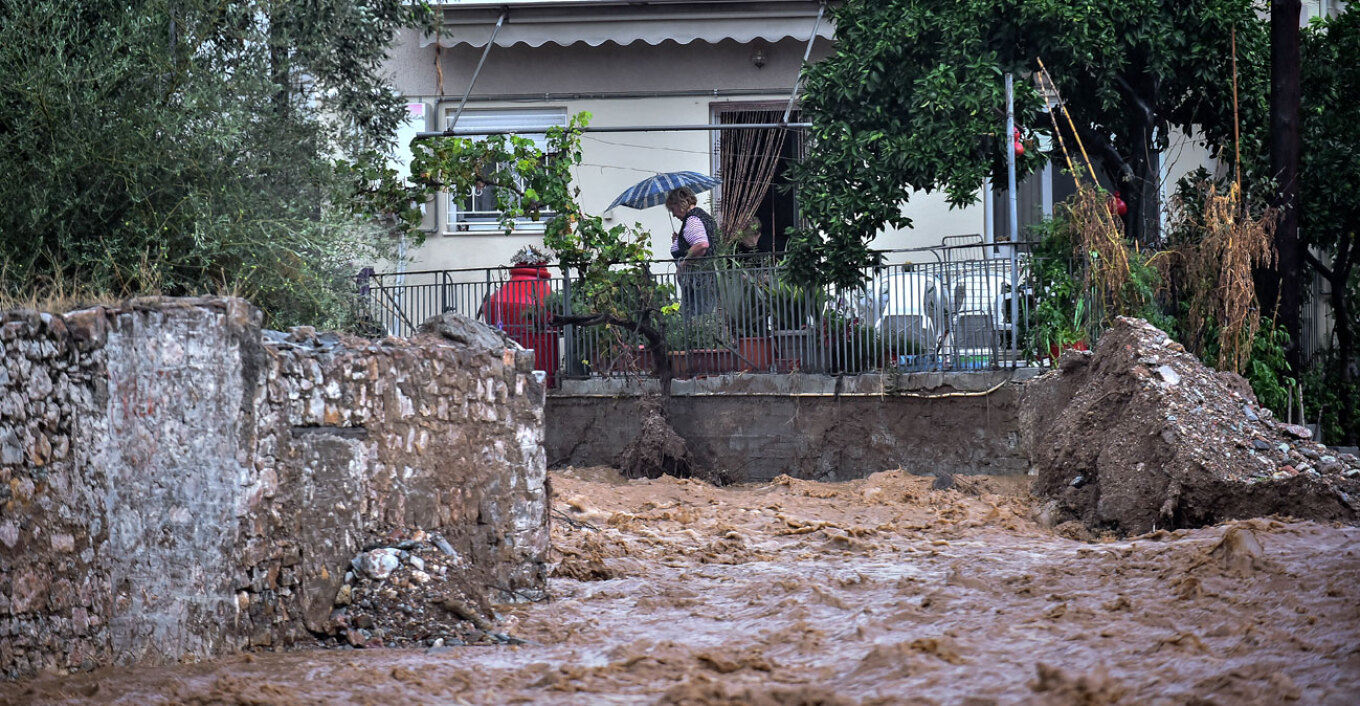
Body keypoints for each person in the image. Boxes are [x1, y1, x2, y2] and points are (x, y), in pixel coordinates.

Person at [665, 186, 717, 319]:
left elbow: (702, 244)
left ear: (680, 203)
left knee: (697, 318)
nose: (674, 214)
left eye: (673, 209)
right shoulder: (701, 216)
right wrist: (679, 241)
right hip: (702, 279)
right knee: (702, 316)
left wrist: (683, 263)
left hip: (698, 281)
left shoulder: (692, 219)